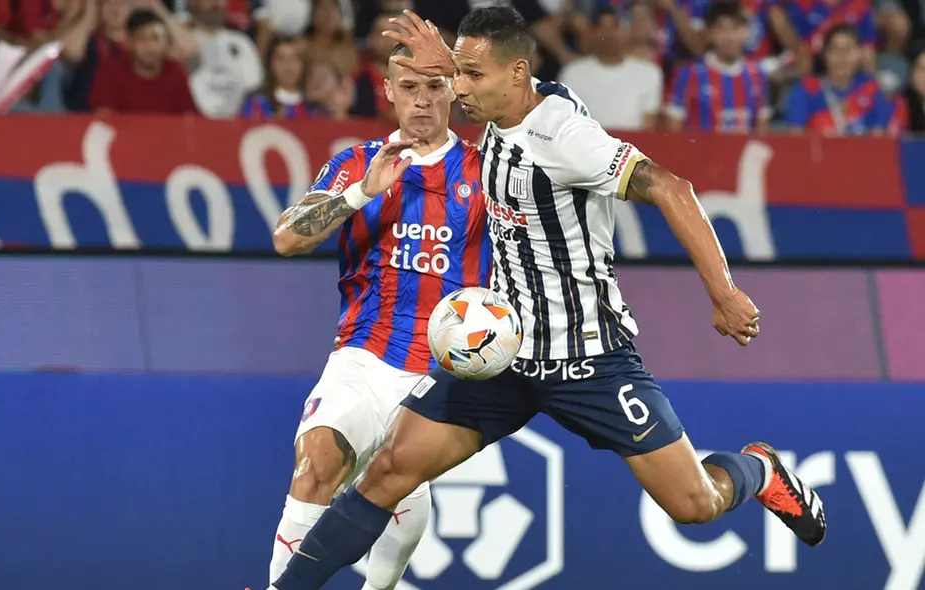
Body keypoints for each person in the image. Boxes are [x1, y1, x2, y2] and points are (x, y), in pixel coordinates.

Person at [266, 8, 827, 590]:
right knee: (386, 471)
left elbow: (670, 186)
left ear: (517, 73)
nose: (458, 90)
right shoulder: (501, 108)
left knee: (695, 504)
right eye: (455, 75)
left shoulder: (564, 137)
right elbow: (454, 93)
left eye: (470, 77)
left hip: (588, 358)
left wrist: (724, 292)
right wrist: (443, 64)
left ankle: (758, 469)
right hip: (502, 357)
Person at [265, 41, 491, 590]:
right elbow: (287, 237)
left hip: (440, 374)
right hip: (363, 356)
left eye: (434, 87)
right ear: (387, 91)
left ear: (453, 92)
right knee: (316, 462)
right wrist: (361, 194)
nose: (421, 102)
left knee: (398, 491)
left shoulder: (486, 169)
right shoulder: (358, 163)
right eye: (408, 88)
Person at [666, 1, 772, 133]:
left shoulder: (757, 75)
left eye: (735, 28)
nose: (729, 37)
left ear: (746, 33)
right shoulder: (689, 75)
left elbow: (762, 131)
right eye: (722, 29)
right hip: (699, 153)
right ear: (710, 34)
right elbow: (673, 131)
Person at [558, 6, 663, 131]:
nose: (608, 34)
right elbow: (565, 124)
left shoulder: (649, 73)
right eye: (601, 28)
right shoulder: (573, 73)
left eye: (614, 27)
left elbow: (648, 126)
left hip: (632, 147)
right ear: (591, 33)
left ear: (626, 31)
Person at [784, 24, 891, 134]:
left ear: (860, 54)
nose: (842, 56)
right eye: (835, 49)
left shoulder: (871, 89)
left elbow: (878, 138)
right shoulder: (806, 89)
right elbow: (795, 135)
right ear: (824, 54)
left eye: (848, 50)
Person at [88, 9, 197, 114]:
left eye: (156, 38)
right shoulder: (111, 68)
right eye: (142, 39)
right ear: (129, 43)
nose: (149, 47)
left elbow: (188, 118)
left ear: (167, 42)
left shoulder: (175, 71)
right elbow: (103, 115)